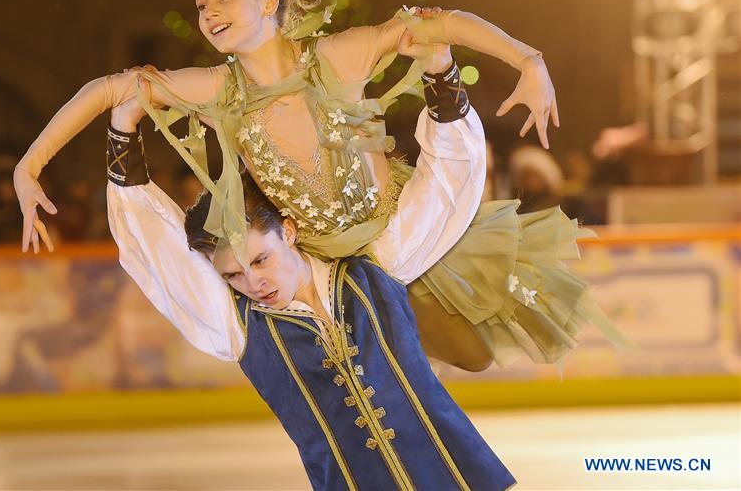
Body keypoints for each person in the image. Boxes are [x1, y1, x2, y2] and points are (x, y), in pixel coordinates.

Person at [15, 0, 629, 371]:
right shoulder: (215, 90)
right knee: (366, 387)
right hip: (321, 276)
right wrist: (29, 165)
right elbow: (110, 88)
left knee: (469, 355)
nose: (208, 12)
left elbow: (436, 20)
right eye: (201, 3)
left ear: (270, 1)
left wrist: (529, 59)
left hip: (403, 236)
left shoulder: (337, 57)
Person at [104, 75, 514, 489]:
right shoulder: (239, 326)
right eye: (232, 275)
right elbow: (155, 245)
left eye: (260, 259)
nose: (253, 282)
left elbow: (443, 184)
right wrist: (124, 125)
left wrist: (441, 73)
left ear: (289, 231)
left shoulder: (375, 267)